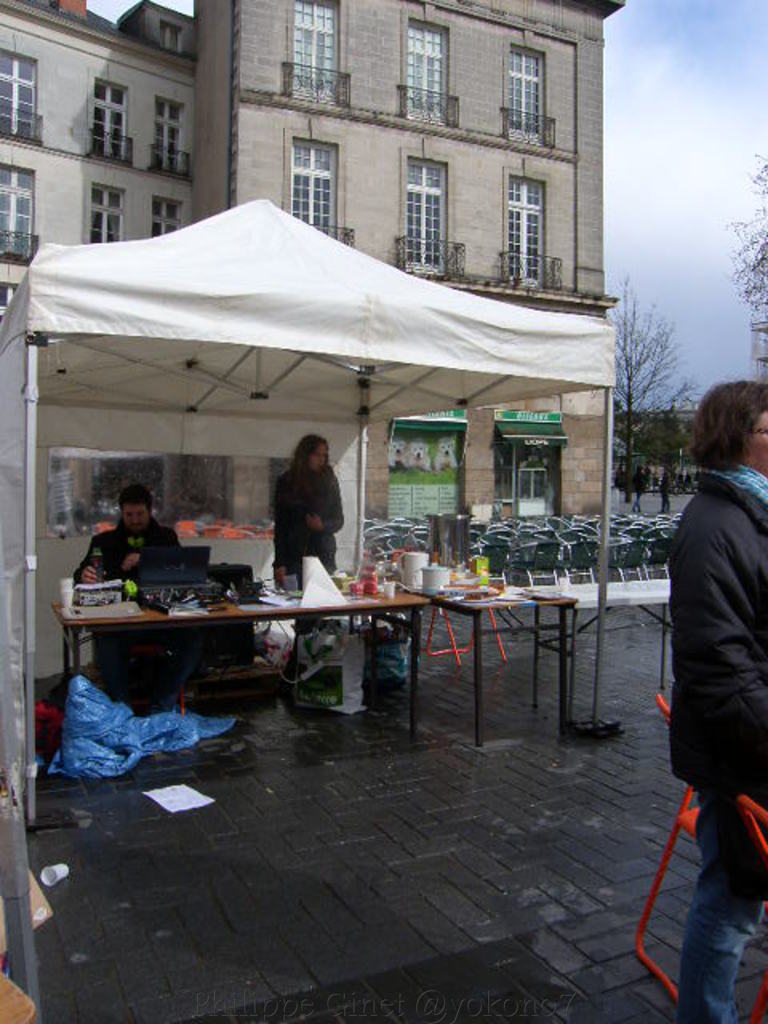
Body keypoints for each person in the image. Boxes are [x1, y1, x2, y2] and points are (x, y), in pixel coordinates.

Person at [669, 381, 768, 1023]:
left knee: (737, 900)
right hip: (742, 753)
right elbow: (720, 666)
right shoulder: (715, 526)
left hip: (748, 742)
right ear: (739, 436)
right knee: (730, 905)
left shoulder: (750, 514)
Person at [74, 483, 202, 711]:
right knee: (107, 640)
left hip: (161, 621)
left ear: (150, 510)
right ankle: (122, 709)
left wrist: (146, 559)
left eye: (139, 514)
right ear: (121, 513)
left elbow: (183, 572)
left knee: (192, 639)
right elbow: (79, 576)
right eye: (129, 515)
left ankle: (162, 703)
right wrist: (84, 575)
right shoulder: (103, 543)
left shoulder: (165, 537)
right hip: (121, 624)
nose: (134, 520)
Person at [273, 435, 344, 588]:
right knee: (293, 604)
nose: (322, 460)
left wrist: (322, 526)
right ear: (305, 455)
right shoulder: (287, 481)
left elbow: (339, 520)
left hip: (324, 555)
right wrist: (280, 563)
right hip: (294, 556)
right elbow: (281, 527)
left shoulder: (329, 480)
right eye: (317, 455)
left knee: (324, 604)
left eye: (324, 455)